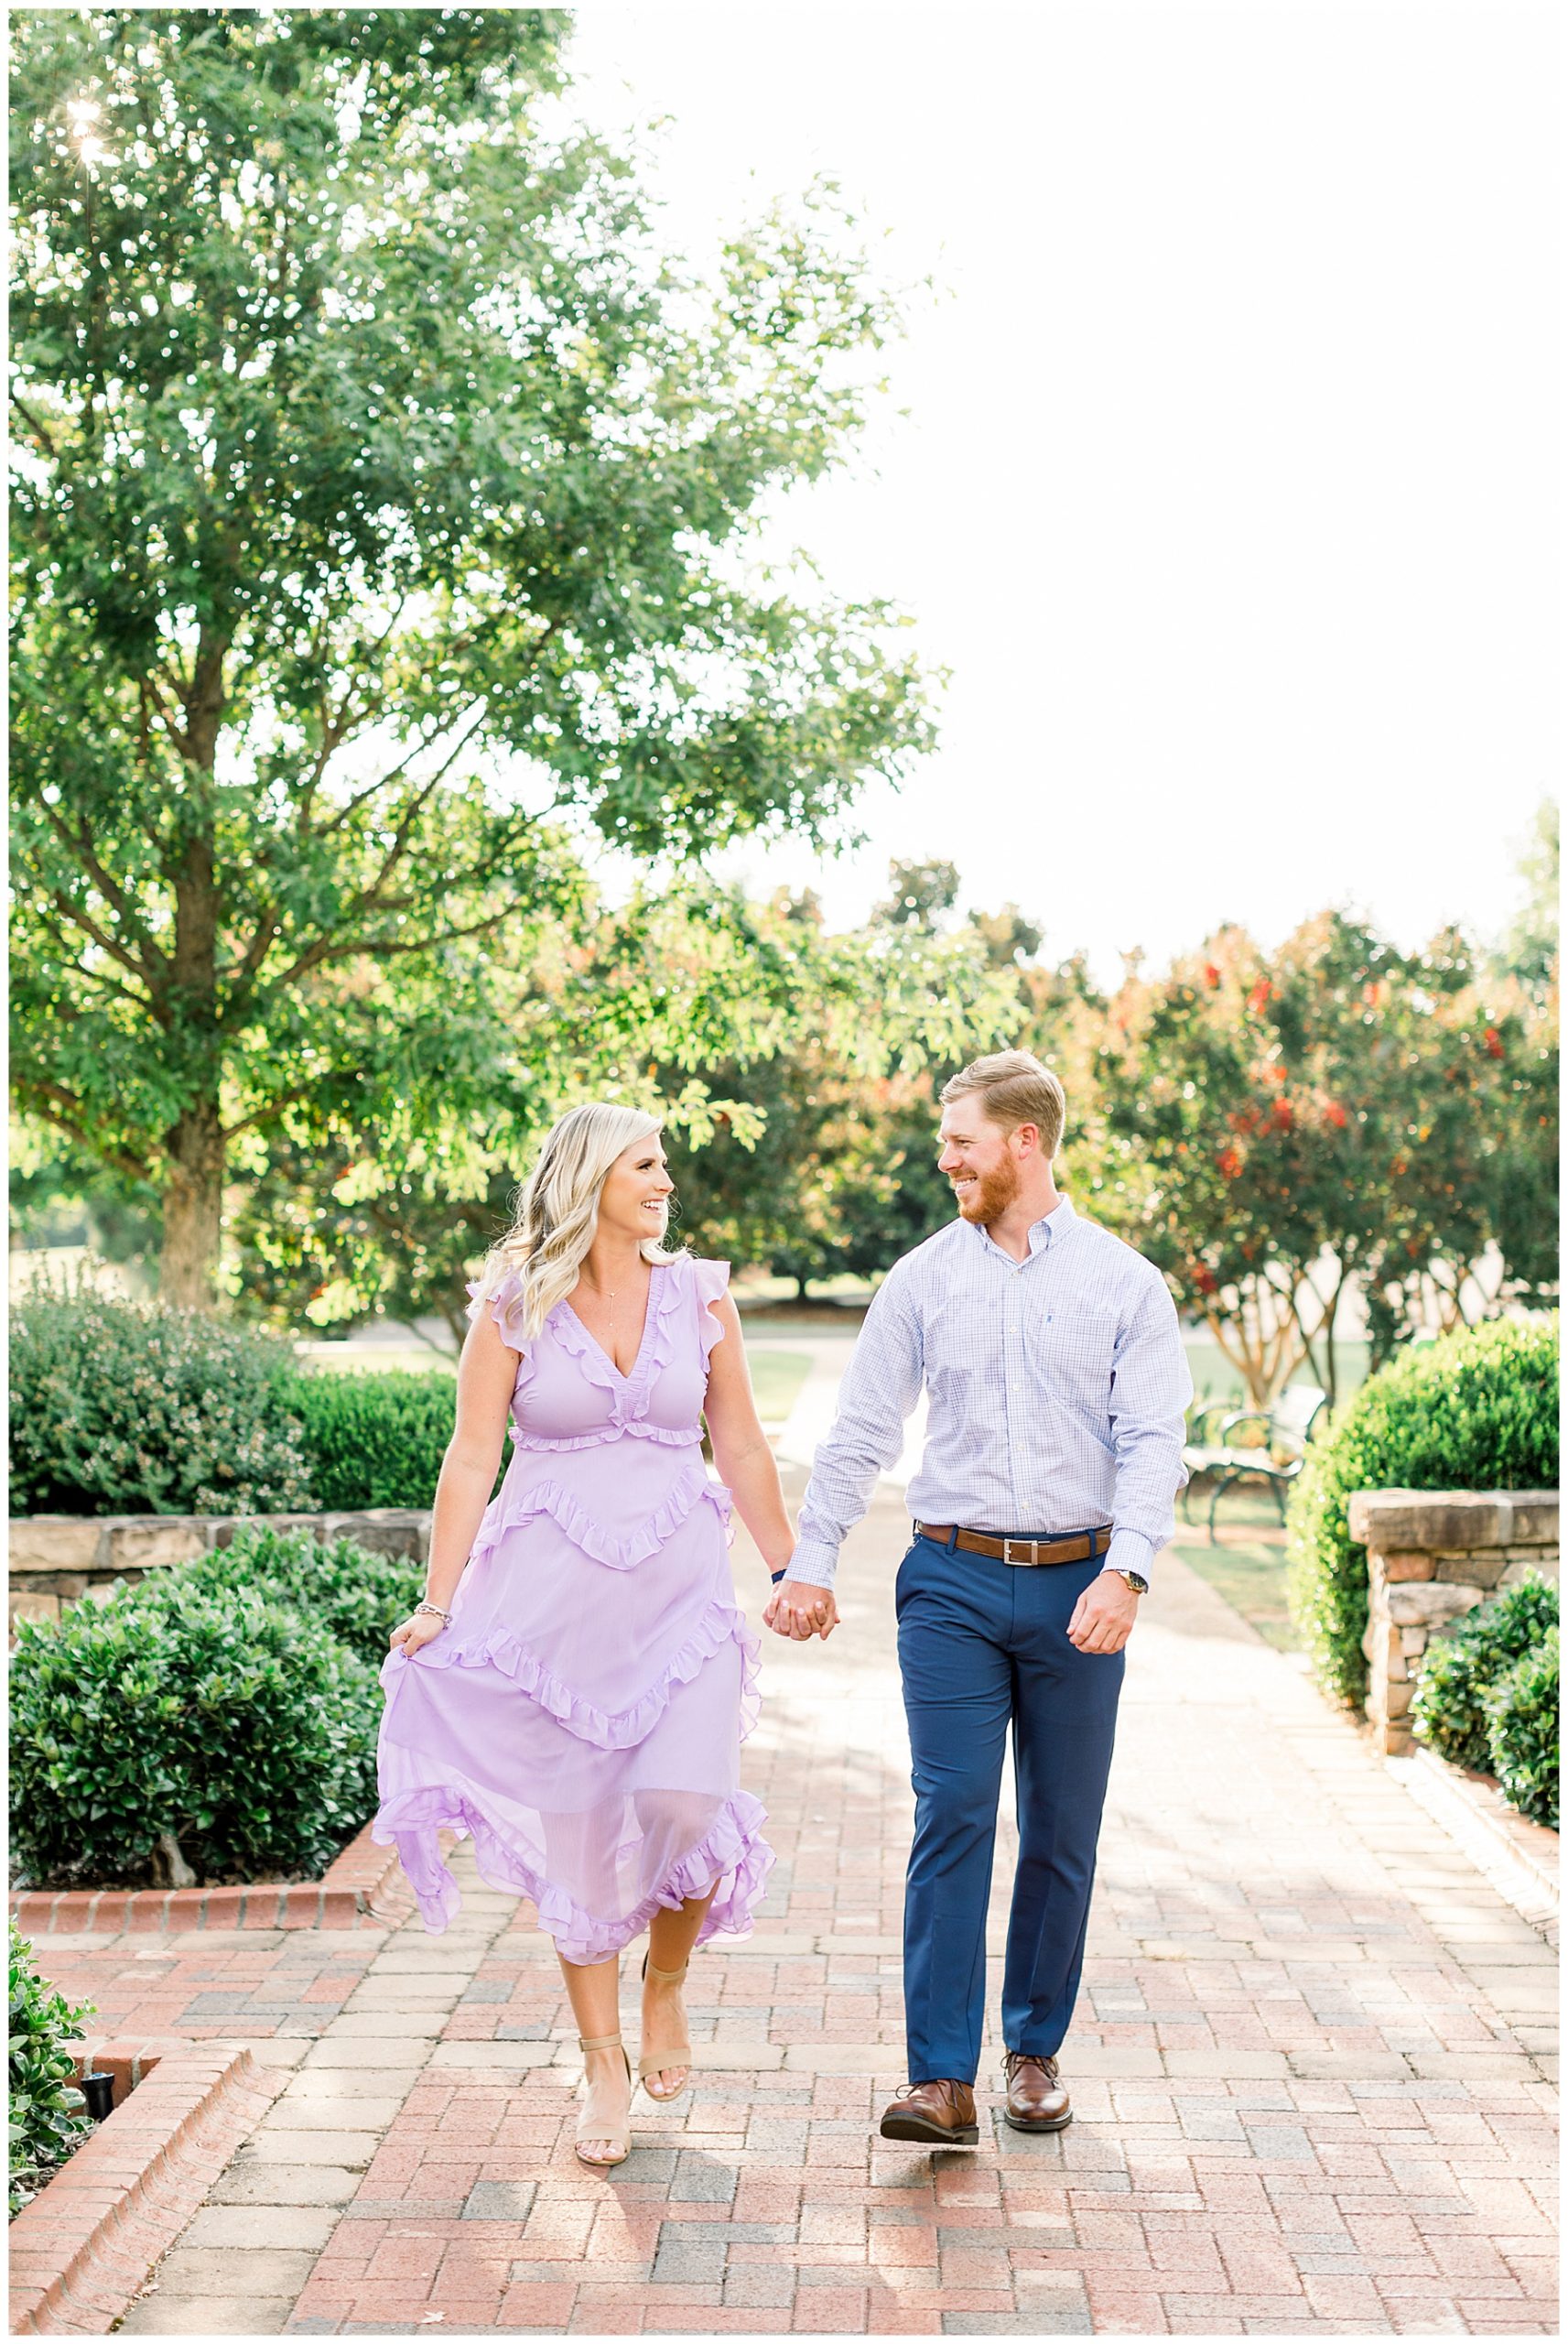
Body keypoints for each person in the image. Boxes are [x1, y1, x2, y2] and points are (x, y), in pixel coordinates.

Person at [766, 1049, 1190, 2147]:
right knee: (951, 1812)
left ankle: (1034, 2049)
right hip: (948, 1579)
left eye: (961, 1139)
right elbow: (861, 1427)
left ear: (1025, 1142)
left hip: (1079, 1586)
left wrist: (1128, 1567)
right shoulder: (921, 1279)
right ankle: (940, 2078)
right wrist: (811, 1558)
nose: (943, 1156)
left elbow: (1152, 1440)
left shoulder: (1124, 1284)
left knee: (1060, 1826)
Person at [374, 1102, 797, 2168]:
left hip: (680, 1601)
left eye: (664, 1164)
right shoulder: (514, 1302)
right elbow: (472, 1455)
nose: (666, 1180)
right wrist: (439, 1598)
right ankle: (601, 2063)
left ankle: (666, 1984)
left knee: (685, 1801)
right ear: (593, 1177)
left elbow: (738, 1441)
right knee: (579, 1838)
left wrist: (795, 1564)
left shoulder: (702, 1295)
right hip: (547, 1609)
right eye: (647, 1163)